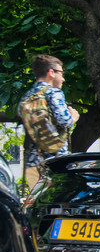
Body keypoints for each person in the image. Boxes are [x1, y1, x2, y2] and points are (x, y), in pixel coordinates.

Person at [18, 55, 79, 190]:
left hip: (32, 160)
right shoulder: (53, 92)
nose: (63, 78)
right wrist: (73, 117)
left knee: (37, 201)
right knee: (58, 203)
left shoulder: (27, 96)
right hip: (55, 160)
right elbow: (65, 121)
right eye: (61, 73)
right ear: (51, 72)